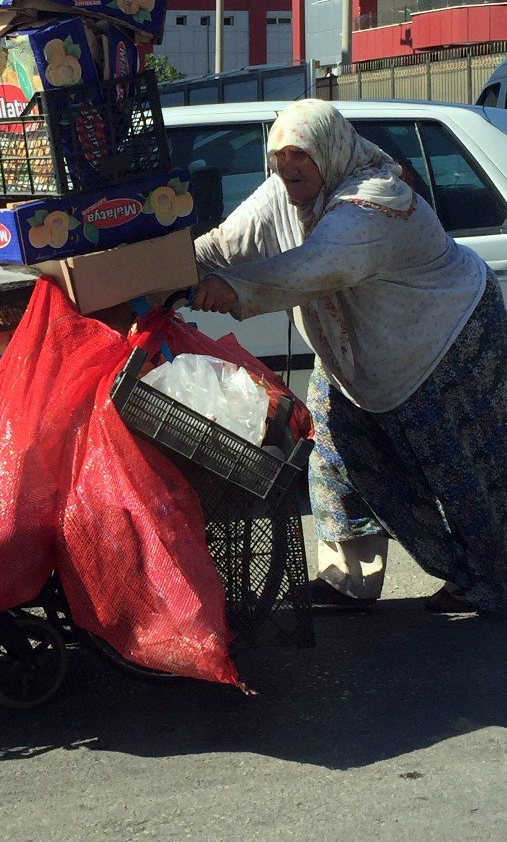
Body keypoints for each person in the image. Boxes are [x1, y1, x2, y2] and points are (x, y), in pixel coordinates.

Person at [191, 98, 507, 616]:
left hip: (445, 340)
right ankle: (349, 581)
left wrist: (232, 289)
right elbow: (225, 244)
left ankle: (491, 581)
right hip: (357, 352)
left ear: (331, 151)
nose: (288, 166)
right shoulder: (283, 194)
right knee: (336, 459)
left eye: (301, 154)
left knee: (460, 473)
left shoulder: (376, 201)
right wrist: (166, 269)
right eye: (279, 155)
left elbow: (317, 267)